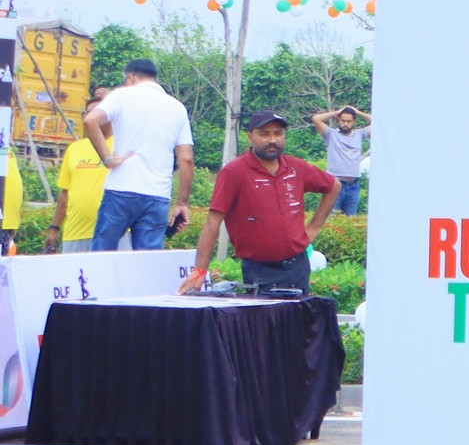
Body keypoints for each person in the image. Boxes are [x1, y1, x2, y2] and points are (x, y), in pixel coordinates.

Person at [180, 109, 338, 295]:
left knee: (298, 314)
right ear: (250, 137)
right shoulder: (234, 172)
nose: (273, 139)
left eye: (278, 133)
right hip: (259, 272)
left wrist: (314, 228)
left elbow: (333, 186)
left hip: (298, 267)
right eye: (264, 134)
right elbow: (213, 221)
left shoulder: (296, 167)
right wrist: (200, 270)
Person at [84, 58, 195, 251]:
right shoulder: (177, 107)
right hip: (157, 194)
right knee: (147, 261)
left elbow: (90, 121)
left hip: (121, 189)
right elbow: (186, 159)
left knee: (102, 255)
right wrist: (182, 203)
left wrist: (108, 160)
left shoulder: (122, 96)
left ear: (131, 77)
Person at [52, 86, 111, 250]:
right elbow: (64, 193)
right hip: (75, 234)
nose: (91, 117)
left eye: (97, 112)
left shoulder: (122, 146)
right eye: (87, 113)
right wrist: (54, 227)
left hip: (113, 234)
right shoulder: (74, 149)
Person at [312, 105, 371, 216]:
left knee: (350, 221)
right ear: (338, 120)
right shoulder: (330, 134)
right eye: (343, 120)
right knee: (332, 220)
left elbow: (378, 122)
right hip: (335, 183)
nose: (346, 124)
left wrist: (357, 112)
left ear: (354, 121)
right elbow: (316, 119)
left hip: (353, 185)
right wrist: (337, 112)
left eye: (349, 121)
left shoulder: (360, 134)